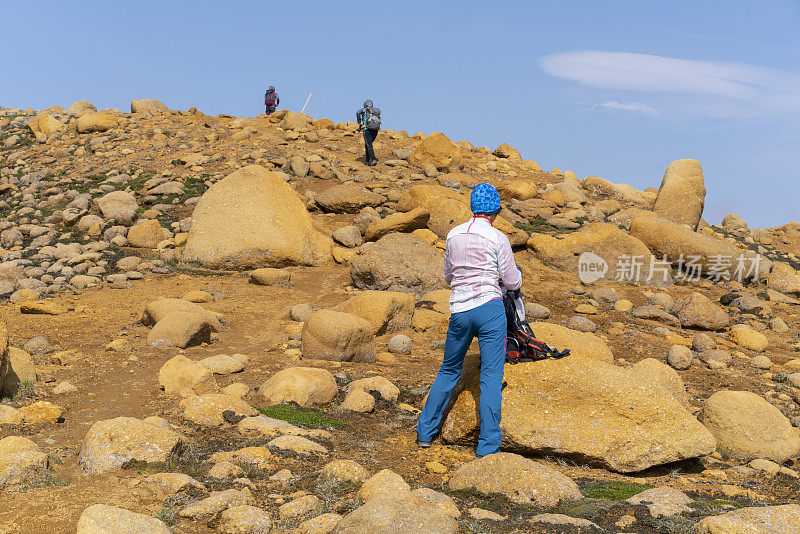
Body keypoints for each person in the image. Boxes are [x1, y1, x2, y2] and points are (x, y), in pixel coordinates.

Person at [416, 183, 522, 458]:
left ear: (472, 208)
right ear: (496, 210)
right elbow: (511, 281)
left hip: (460, 310)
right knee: (490, 375)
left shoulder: (453, 234)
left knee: (449, 370)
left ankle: (425, 433)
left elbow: (448, 276)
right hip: (490, 309)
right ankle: (487, 447)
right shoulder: (498, 238)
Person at [356, 99, 381, 166]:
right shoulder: (375, 111)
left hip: (367, 130)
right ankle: (367, 161)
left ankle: (373, 159)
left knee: (368, 145)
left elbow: (358, 112)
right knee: (368, 144)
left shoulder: (364, 110)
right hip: (375, 130)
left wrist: (359, 121)